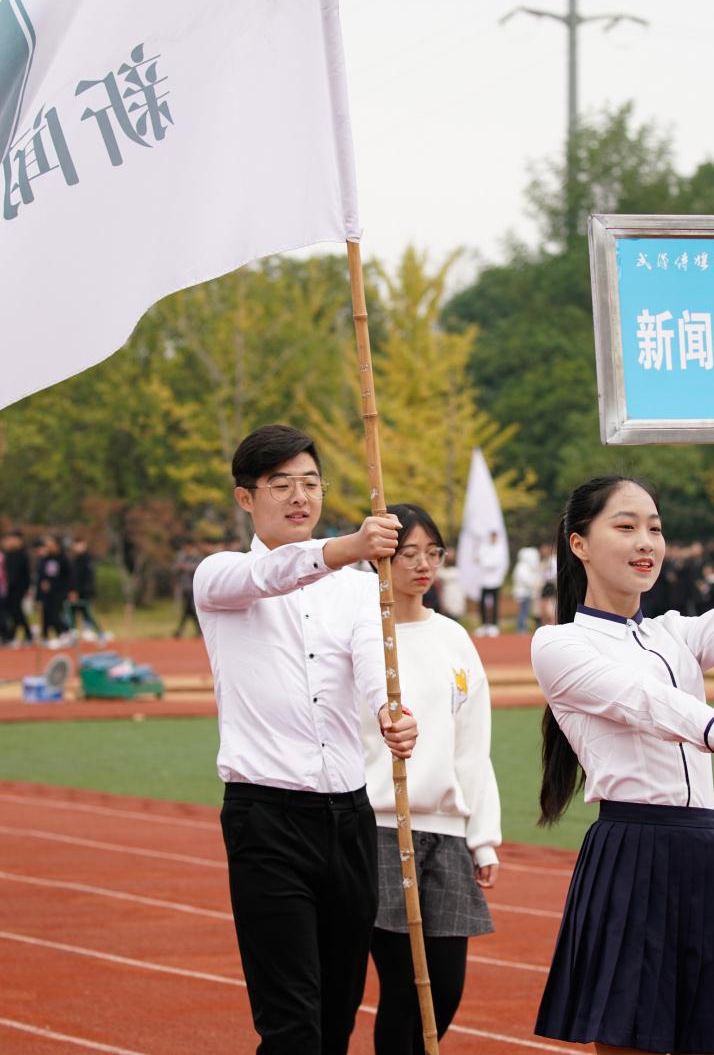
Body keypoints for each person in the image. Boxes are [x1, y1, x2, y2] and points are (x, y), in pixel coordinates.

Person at [530, 476, 714, 1054]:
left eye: (654, 528)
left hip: (706, 850)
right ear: (579, 544)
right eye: (625, 527)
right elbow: (644, 701)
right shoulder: (559, 644)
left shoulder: (669, 633)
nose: (646, 542)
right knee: (631, 1037)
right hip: (633, 849)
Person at [193, 424, 418, 1055]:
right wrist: (346, 546)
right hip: (267, 818)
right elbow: (276, 575)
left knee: (337, 1016)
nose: (300, 496)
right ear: (246, 498)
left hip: (349, 817)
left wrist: (391, 711)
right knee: (291, 1022)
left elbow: (371, 658)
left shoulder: (361, 585)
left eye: (311, 483)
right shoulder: (221, 577)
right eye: (281, 484)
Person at [362, 503, 501, 1055]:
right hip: (378, 830)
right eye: (408, 554)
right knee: (403, 988)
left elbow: (472, 743)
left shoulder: (453, 638)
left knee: (443, 988)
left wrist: (481, 838)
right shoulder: (364, 638)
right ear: (379, 558)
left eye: (433, 553)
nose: (423, 565)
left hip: (445, 836)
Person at [64, 537, 106, 642]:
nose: (77, 547)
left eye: (79, 545)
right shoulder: (75, 559)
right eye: (75, 545)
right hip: (74, 592)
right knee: (71, 614)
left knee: (86, 613)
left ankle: (99, 633)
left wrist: (79, 591)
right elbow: (72, 578)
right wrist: (71, 590)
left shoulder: (87, 559)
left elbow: (88, 578)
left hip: (84, 593)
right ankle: (73, 636)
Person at [474, 530, 509, 637]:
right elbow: (479, 559)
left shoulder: (500, 549)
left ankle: (493, 625)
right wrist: (485, 562)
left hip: (495, 581)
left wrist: (485, 562)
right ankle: (484, 625)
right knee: (482, 604)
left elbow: (496, 563)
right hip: (484, 581)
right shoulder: (484, 547)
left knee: (495, 603)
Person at [511, 545, 542, 634]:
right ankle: (521, 628)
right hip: (522, 594)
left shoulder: (526, 567)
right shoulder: (522, 567)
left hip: (526, 593)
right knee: (523, 611)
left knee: (525, 611)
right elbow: (526, 580)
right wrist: (535, 584)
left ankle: (522, 627)